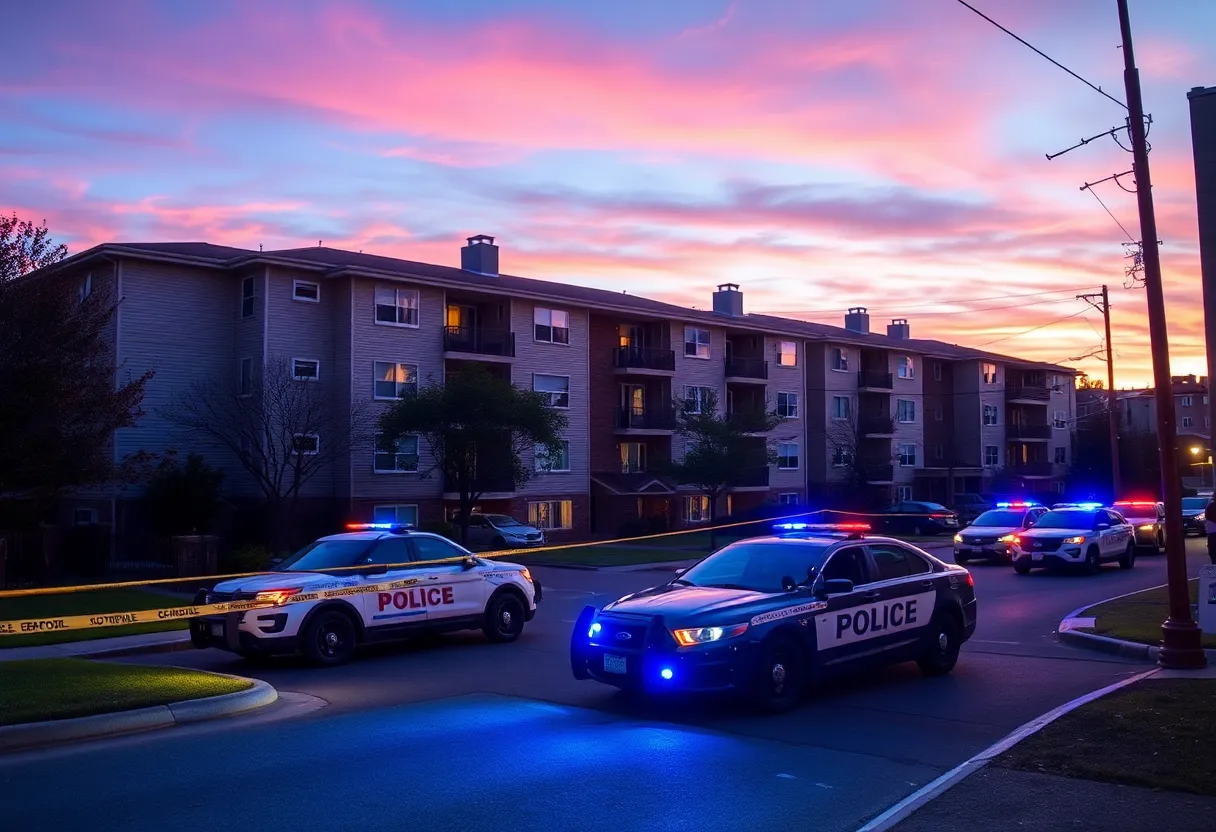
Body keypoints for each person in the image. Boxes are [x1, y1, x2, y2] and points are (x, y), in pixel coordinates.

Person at [1205, 498, 1216, 565]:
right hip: (1213, 532)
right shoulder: (1211, 506)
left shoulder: (1210, 506)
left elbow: (1207, 516)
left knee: (1213, 554)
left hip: (1212, 532)